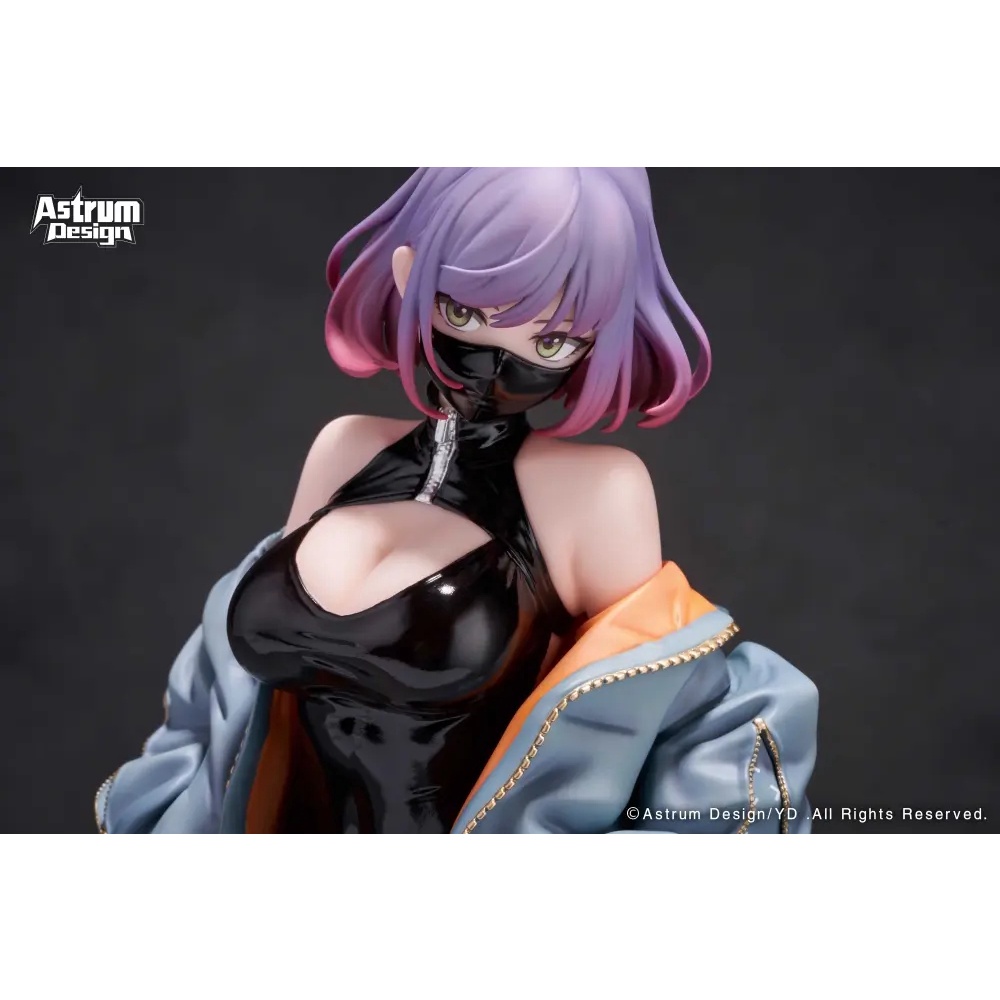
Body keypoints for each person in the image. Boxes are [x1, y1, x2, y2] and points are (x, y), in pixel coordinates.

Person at [96, 168, 818, 834]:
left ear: (599, 337)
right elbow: (223, 708)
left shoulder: (598, 495)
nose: (495, 366)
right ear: (409, 273)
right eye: (463, 313)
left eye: (552, 341)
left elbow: (672, 718)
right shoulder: (343, 450)